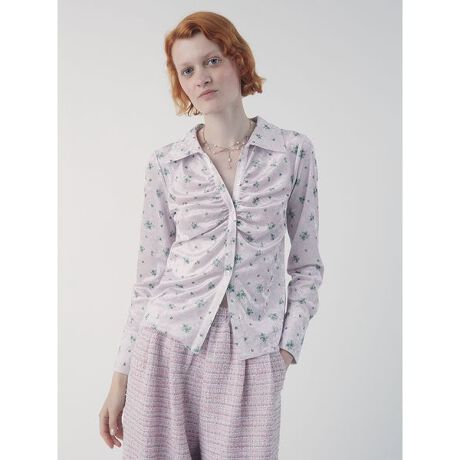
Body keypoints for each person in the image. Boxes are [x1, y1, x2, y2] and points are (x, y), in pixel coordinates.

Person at [99, 10, 324, 459]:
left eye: (212, 61)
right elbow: (148, 280)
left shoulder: (292, 152)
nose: (200, 77)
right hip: (165, 349)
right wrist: (120, 377)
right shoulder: (166, 163)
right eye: (187, 70)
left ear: (238, 61)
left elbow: (307, 267)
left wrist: (283, 352)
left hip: (251, 355)